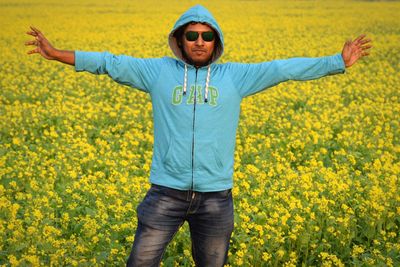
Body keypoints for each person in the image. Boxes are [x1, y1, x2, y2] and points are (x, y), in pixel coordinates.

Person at [25, 4, 372, 267]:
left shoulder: (235, 77)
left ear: (216, 41)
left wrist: (335, 62)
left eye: (207, 36)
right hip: (165, 193)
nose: (199, 42)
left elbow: (282, 69)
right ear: (180, 39)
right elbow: (110, 62)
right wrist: (56, 54)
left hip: (215, 199)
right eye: (192, 35)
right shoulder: (157, 71)